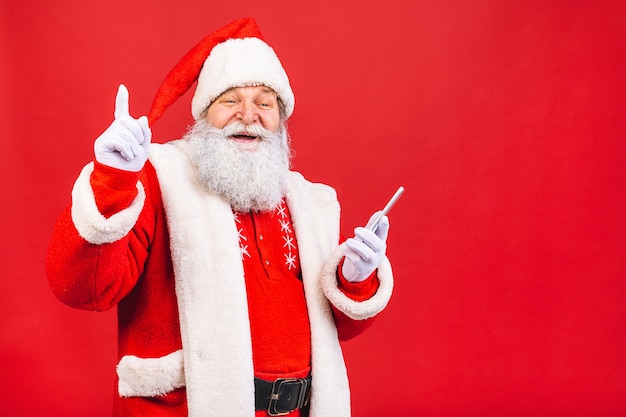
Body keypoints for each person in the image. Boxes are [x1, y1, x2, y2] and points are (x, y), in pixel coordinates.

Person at [46, 17, 394, 417]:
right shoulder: (158, 178)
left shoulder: (311, 201)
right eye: (230, 100)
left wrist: (354, 277)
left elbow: (340, 328)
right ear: (203, 114)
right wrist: (112, 180)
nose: (248, 115)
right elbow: (82, 289)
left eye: (265, 103)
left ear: (280, 120)